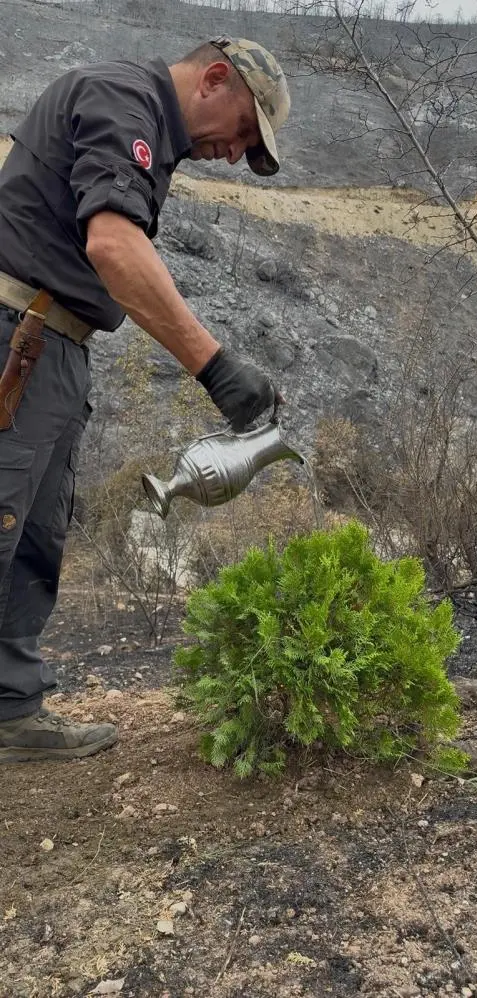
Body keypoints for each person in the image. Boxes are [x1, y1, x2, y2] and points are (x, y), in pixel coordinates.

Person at [0, 37, 290, 762]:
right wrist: (215, 367)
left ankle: (12, 712)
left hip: (55, 343)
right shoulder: (122, 98)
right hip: (16, 338)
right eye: (244, 131)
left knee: (33, 537)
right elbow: (113, 246)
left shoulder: (149, 128)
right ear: (215, 78)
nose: (235, 154)